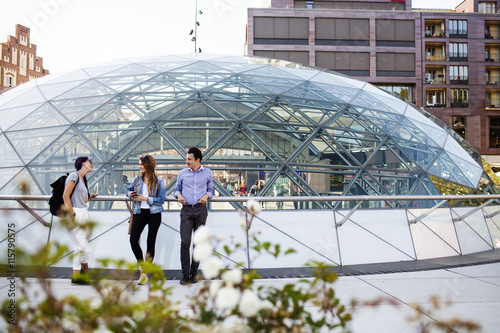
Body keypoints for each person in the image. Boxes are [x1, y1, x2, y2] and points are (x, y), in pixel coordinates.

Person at [173, 147, 213, 285]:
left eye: (189, 159)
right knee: (185, 242)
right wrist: (178, 195)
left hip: (201, 210)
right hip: (186, 211)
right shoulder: (182, 173)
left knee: (198, 243)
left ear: (197, 160)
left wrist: (206, 196)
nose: (187, 161)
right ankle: (185, 275)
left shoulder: (208, 173)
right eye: (187, 158)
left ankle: (194, 274)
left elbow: (210, 190)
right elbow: (176, 189)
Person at [126, 155, 166, 285]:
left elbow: (161, 200)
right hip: (139, 212)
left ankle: (144, 274)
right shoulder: (137, 179)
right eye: (139, 164)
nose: (140, 166)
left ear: (148, 165)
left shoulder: (159, 181)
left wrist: (146, 199)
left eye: (142, 164)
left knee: (150, 242)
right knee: (133, 239)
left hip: (154, 213)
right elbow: (128, 190)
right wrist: (130, 194)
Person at [62, 156, 97, 285]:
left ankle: (77, 276)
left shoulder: (83, 179)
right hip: (75, 212)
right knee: (85, 248)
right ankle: (85, 272)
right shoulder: (73, 176)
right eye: (90, 162)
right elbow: (65, 196)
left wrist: (90, 196)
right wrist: (72, 215)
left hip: (83, 212)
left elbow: (82, 199)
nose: (92, 165)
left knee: (78, 247)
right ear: (83, 163)